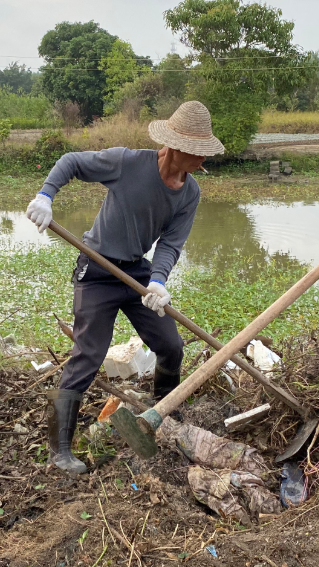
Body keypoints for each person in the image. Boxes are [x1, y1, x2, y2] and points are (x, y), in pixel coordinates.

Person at [25, 101, 225, 473]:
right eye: (199, 154)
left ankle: (165, 416)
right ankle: (59, 450)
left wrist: (158, 281)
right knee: (89, 352)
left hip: (135, 274)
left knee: (171, 345)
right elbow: (71, 162)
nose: (203, 162)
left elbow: (170, 243)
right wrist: (46, 195)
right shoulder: (127, 163)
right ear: (177, 148)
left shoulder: (190, 192)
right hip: (98, 270)